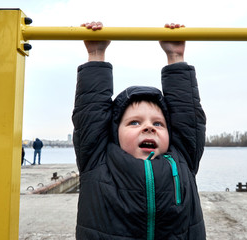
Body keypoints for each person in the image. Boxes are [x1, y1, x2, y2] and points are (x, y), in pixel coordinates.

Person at [72, 22, 206, 239]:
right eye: (134, 122)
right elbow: (91, 111)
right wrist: (96, 53)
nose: (148, 127)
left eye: (158, 123)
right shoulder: (97, 159)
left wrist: (175, 57)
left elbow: (186, 113)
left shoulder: (183, 158)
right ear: (114, 132)